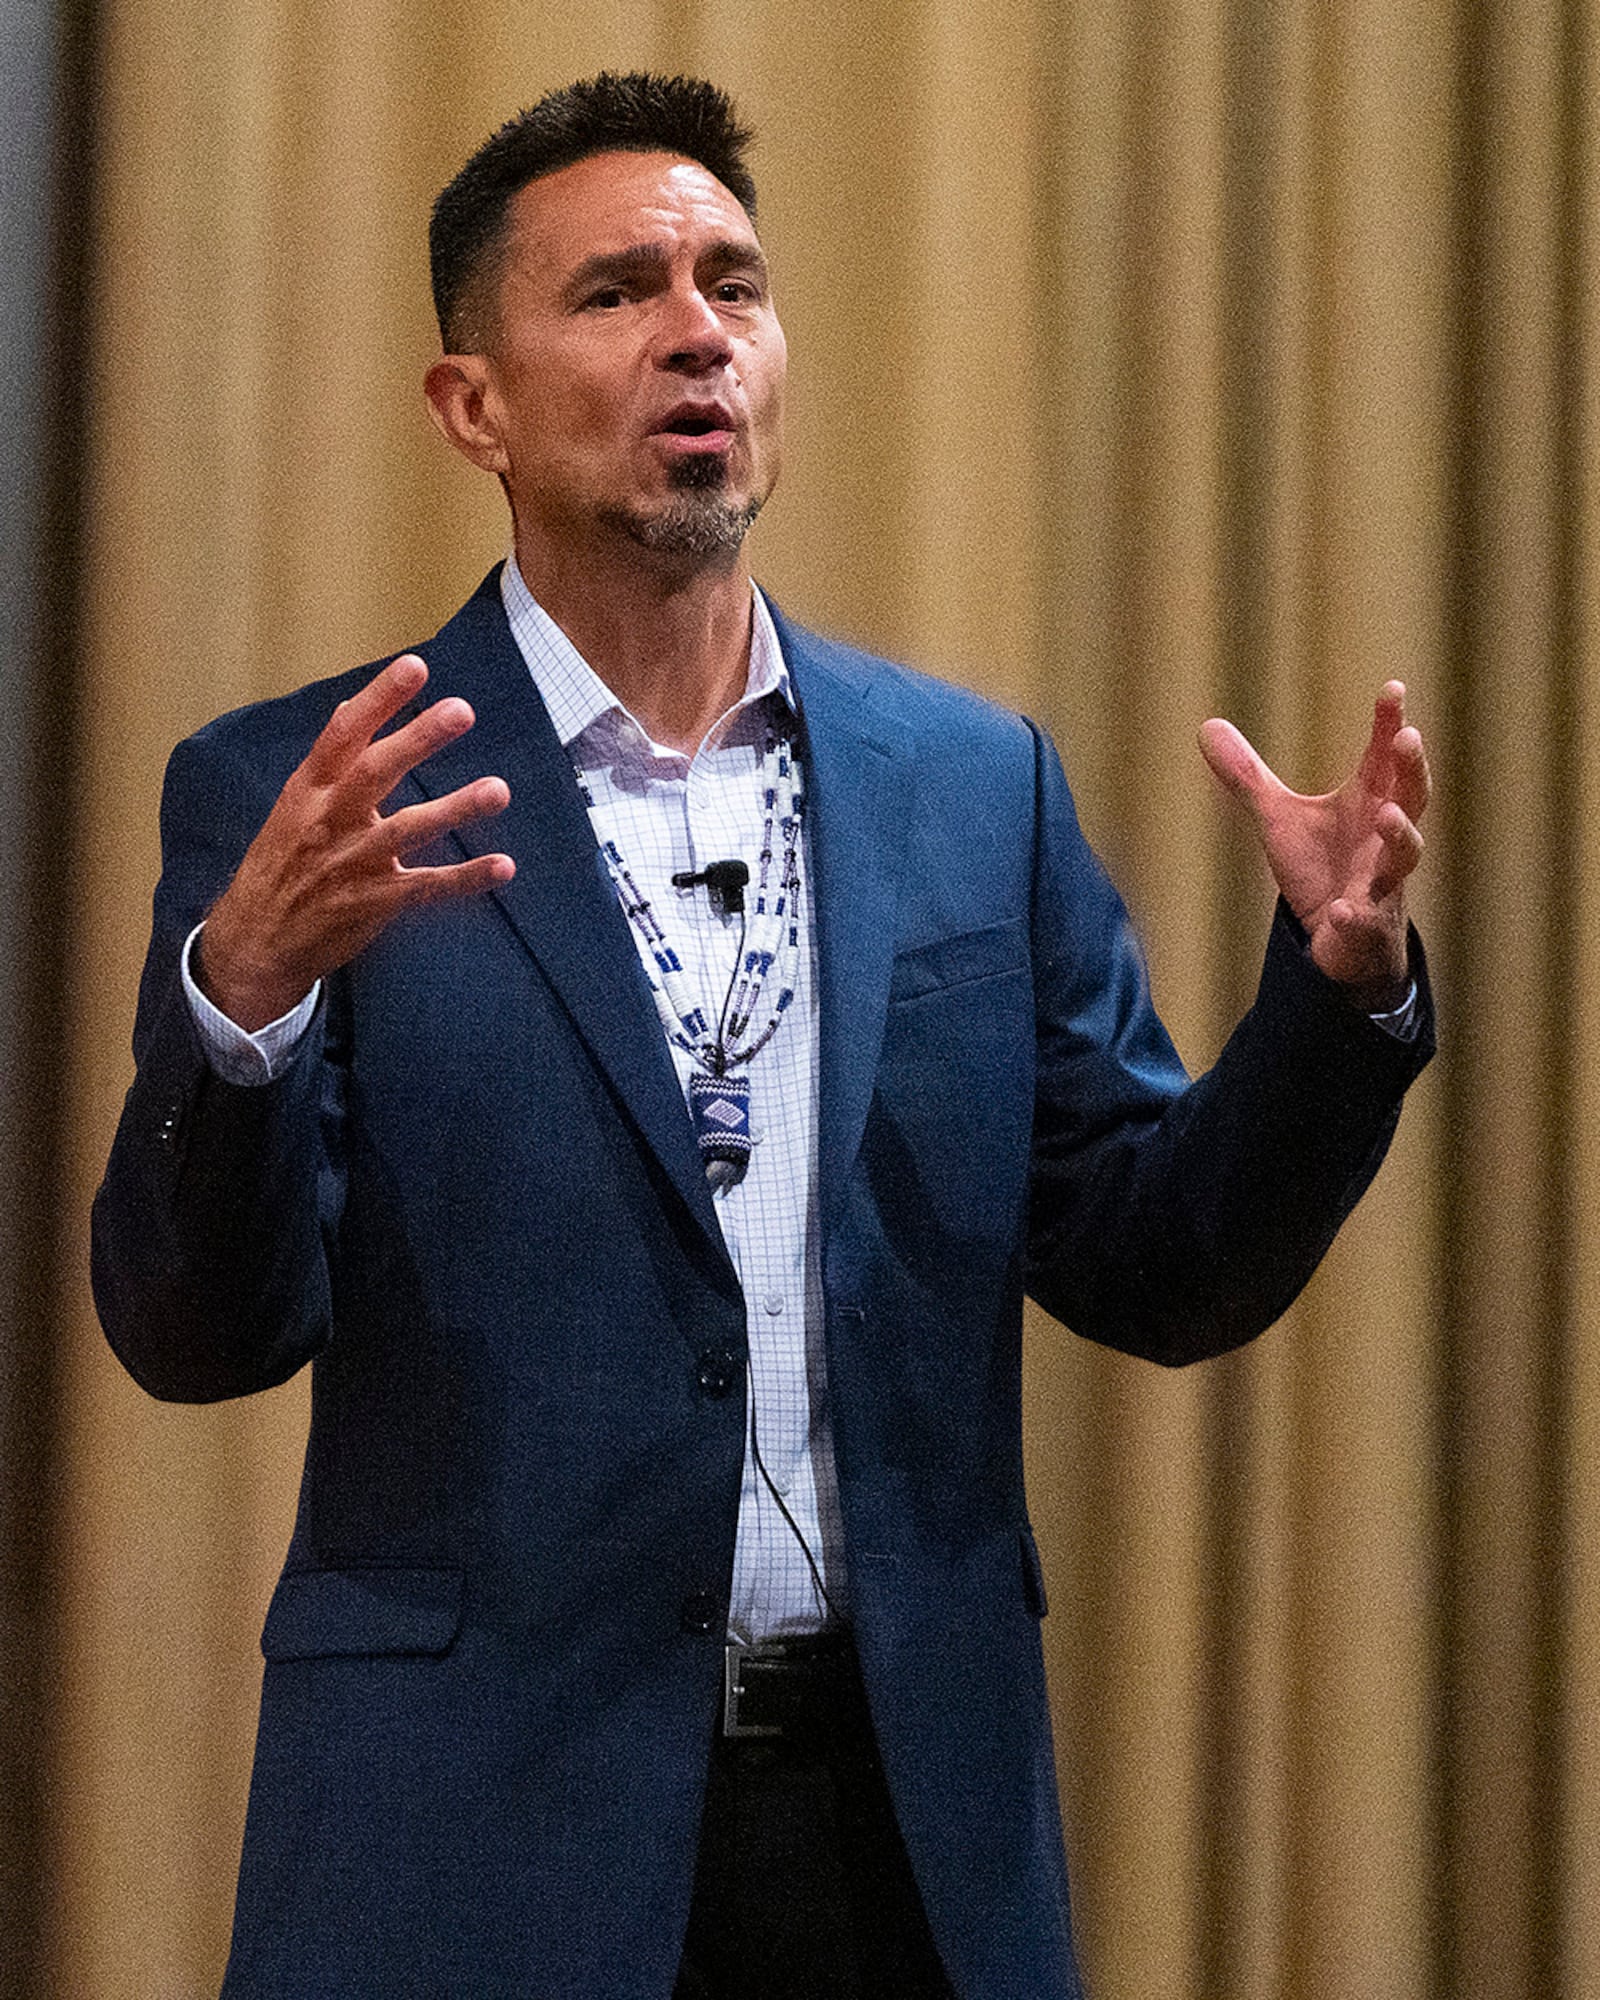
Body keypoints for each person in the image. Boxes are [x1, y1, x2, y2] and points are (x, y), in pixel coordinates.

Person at [91, 71, 1434, 2000]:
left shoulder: (973, 788)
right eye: (617, 291)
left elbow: (1160, 1261)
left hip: (900, 1838)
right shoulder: (310, 796)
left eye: (733, 280)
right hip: (475, 1844)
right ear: (471, 403)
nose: (696, 330)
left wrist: (1338, 993)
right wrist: (247, 995)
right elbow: (198, 1332)